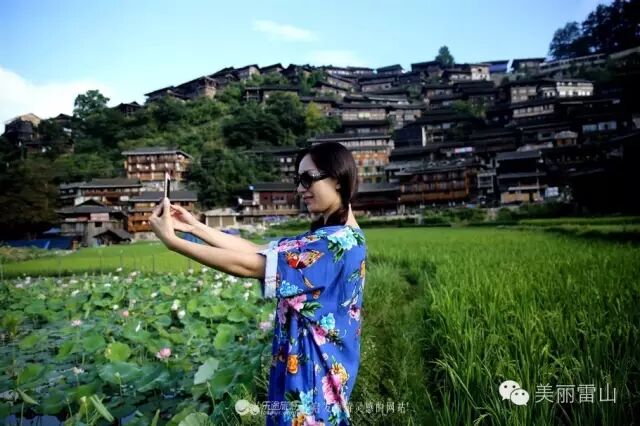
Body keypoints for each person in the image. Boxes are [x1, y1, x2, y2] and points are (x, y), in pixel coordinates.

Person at [149, 141, 367, 425]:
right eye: (297, 180)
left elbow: (251, 265)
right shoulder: (327, 237)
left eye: (307, 179)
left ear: (337, 179)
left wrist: (174, 243)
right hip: (303, 376)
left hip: (311, 387)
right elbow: (256, 250)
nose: (300, 189)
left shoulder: (337, 244)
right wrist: (193, 226)